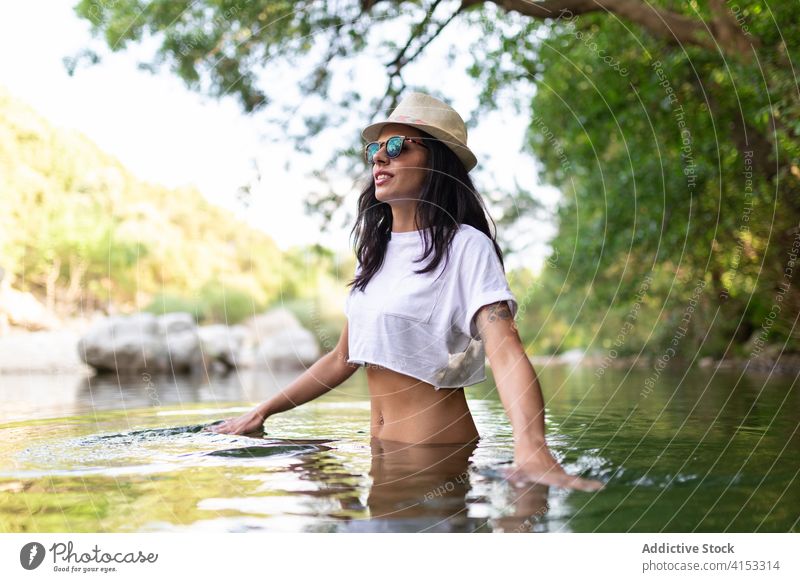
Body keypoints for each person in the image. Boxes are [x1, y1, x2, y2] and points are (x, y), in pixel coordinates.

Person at [205, 92, 603, 492]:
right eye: (375, 148)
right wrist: (262, 413)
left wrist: (532, 448)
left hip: (434, 456)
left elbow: (505, 347)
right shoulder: (374, 256)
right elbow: (343, 357)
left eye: (397, 146)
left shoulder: (465, 246)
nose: (380, 157)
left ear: (437, 163)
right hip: (380, 452)